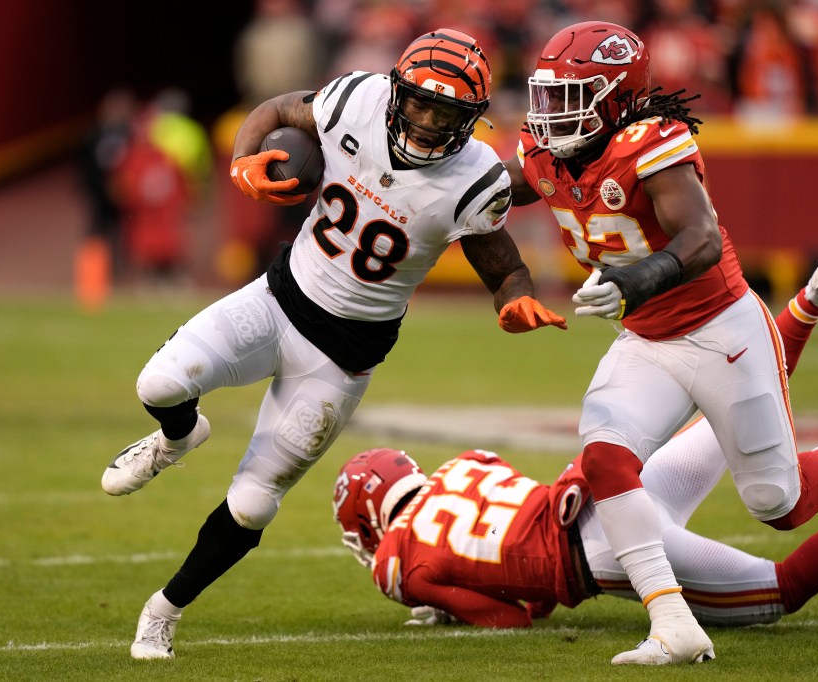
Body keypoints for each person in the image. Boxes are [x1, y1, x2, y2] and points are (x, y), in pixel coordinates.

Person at [100, 28, 566, 660]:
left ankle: (164, 610)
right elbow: (275, 110)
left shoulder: (474, 177)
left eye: (447, 112)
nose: (428, 122)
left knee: (255, 503)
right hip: (277, 298)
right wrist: (243, 157)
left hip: (342, 355)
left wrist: (514, 295)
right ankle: (179, 437)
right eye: (420, 104)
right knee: (158, 384)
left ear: (472, 119)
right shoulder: (360, 99)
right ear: (397, 92)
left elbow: (500, 261)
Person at [499, 21, 818, 665]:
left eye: (570, 96)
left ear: (615, 97)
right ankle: (672, 622)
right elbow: (487, 198)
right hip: (646, 340)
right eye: (547, 95)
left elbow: (697, 238)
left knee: (780, 504)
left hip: (722, 332)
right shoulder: (545, 150)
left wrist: (636, 281)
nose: (550, 113)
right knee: (605, 456)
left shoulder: (652, 142)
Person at [334, 233, 818, 636]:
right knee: (728, 403)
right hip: (601, 487)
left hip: (603, 554)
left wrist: (443, 602)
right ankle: (806, 309)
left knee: (783, 588)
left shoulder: (396, 560)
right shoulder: (464, 466)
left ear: (368, 519)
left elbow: (511, 618)